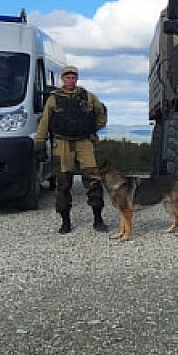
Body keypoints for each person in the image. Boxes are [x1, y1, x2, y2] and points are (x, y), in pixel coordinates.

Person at [35, 65, 108, 234]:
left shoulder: (88, 97)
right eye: (67, 77)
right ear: (62, 79)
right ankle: (65, 221)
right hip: (62, 143)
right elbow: (45, 121)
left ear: (77, 79)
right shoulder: (54, 99)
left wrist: (93, 129)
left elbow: (101, 112)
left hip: (84, 142)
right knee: (62, 183)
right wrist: (39, 142)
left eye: (73, 77)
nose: (70, 80)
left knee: (94, 180)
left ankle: (98, 219)